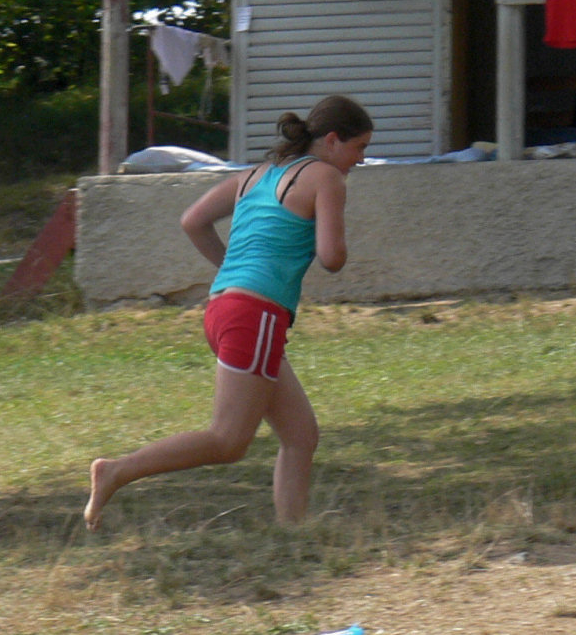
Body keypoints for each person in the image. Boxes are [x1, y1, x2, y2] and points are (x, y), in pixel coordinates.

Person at [84, 95, 373, 530]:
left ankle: (292, 531)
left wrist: (233, 270)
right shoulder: (326, 177)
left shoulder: (255, 175)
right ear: (332, 140)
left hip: (224, 308)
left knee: (300, 434)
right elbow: (331, 257)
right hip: (255, 315)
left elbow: (192, 220)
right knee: (229, 440)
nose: (361, 159)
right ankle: (116, 471)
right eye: (359, 148)